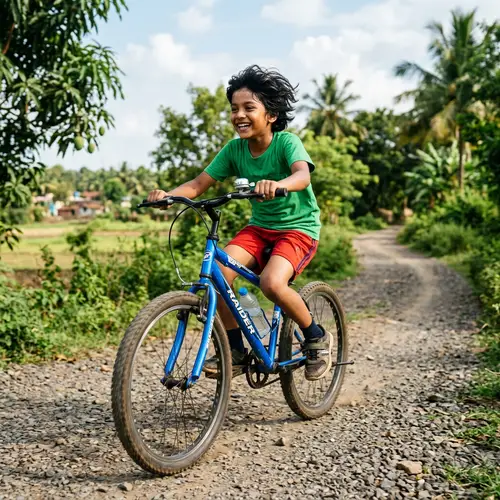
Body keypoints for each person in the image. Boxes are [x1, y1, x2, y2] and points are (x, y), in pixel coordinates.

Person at [147, 65, 332, 381]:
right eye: (234, 109)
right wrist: (168, 197)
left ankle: (315, 336)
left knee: (271, 284)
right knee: (217, 278)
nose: (239, 114)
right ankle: (235, 351)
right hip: (259, 229)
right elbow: (198, 183)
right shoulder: (234, 150)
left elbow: (303, 174)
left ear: (270, 114)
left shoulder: (286, 142)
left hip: (297, 229)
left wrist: (279, 183)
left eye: (249, 107)